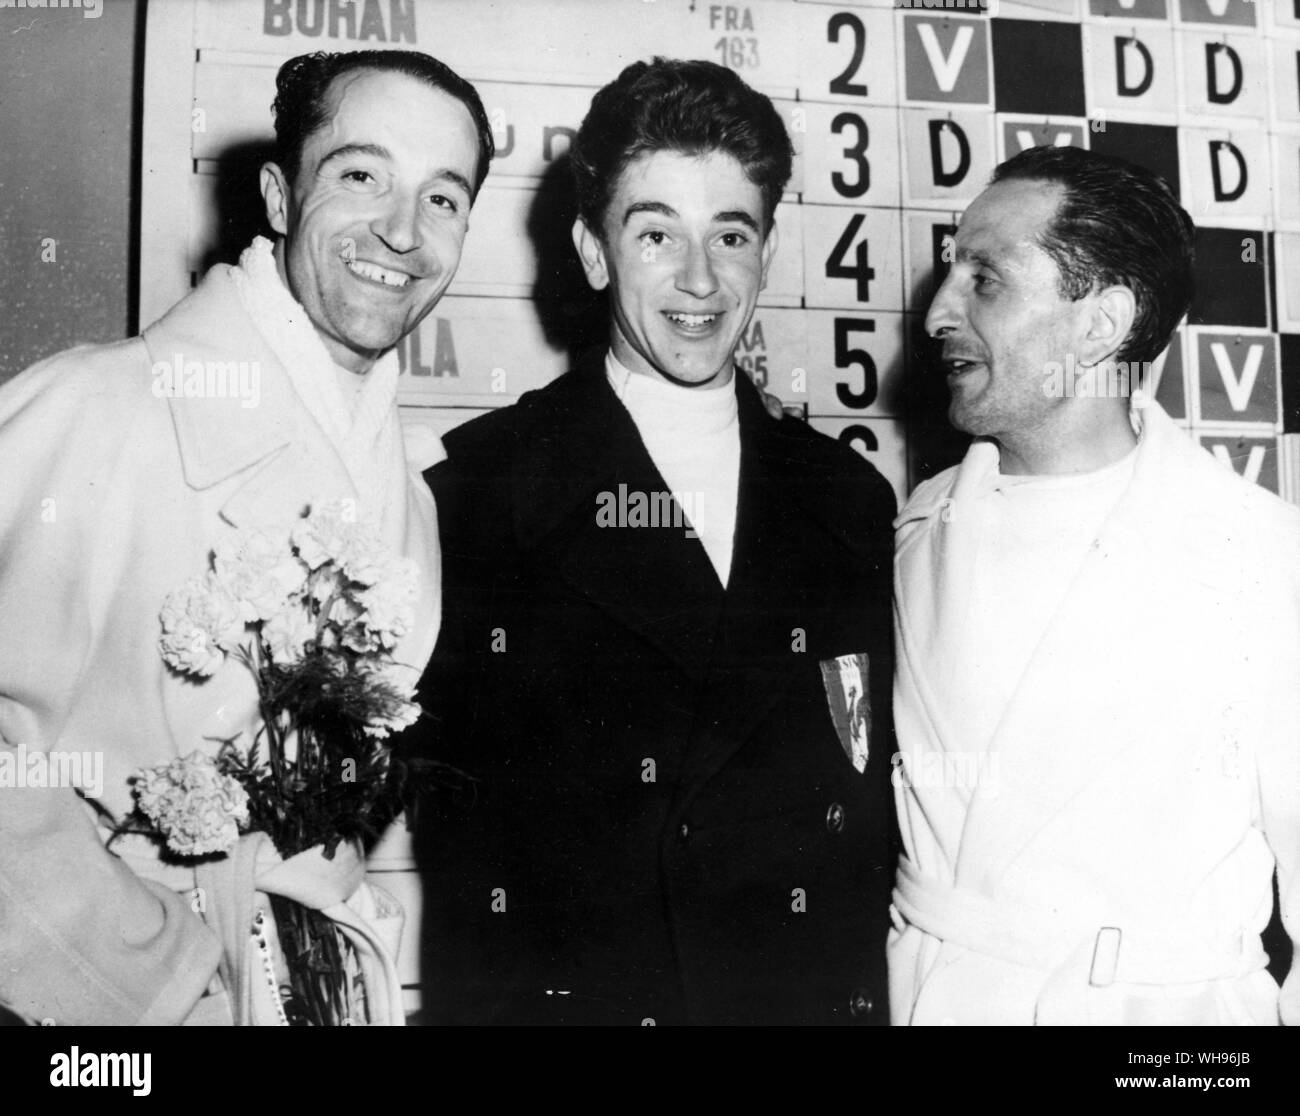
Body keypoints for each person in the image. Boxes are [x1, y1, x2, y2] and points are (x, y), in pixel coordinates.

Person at [0, 49, 494, 1025]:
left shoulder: (412, 503)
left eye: (443, 199)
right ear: (277, 194)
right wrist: (151, 979)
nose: (402, 232)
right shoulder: (104, 407)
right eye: (361, 176)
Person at [419, 57, 897, 1026]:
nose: (698, 279)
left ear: (765, 251)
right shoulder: (482, 492)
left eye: (730, 233)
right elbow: (470, 872)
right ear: (594, 254)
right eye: (655, 234)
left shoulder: (847, 502)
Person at [890, 144, 1300, 1026]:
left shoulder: (1260, 556)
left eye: (985, 280)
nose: (937, 315)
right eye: (950, 274)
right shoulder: (916, 531)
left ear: (1100, 323)